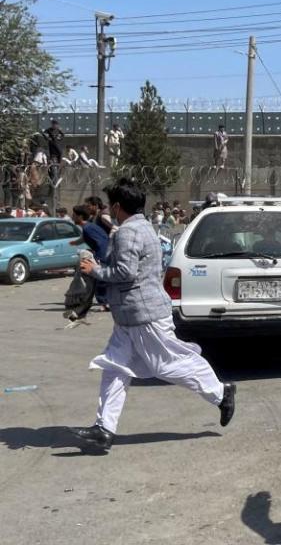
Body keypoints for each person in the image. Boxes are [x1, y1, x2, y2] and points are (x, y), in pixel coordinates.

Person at [72, 178, 235, 451]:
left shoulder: (128, 232)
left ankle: (221, 393)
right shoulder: (141, 227)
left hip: (143, 314)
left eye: (110, 206)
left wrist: (95, 271)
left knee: (167, 364)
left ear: (117, 206)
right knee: (113, 368)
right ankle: (104, 429)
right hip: (129, 316)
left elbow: (126, 273)